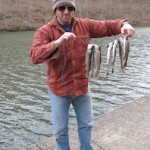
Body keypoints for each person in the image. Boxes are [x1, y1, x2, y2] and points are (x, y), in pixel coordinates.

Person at [30, 0, 135, 149]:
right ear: (55, 10)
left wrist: (124, 25)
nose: (66, 11)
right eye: (61, 7)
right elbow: (34, 56)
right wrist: (57, 42)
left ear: (74, 10)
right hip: (59, 90)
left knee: (87, 125)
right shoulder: (45, 31)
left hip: (82, 87)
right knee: (60, 132)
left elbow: (107, 26)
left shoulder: (85, 25)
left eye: (70, 8)